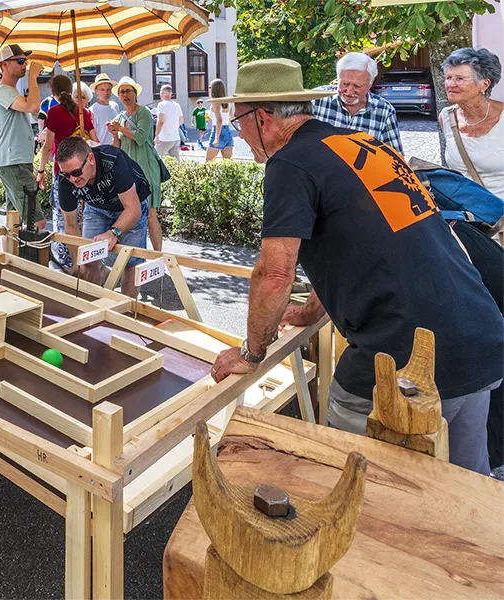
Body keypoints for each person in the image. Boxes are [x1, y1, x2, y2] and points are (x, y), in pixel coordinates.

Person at [208, 58, 504, 475]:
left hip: (407, 352)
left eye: (238, 120)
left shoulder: (290, 165)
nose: (237, 131)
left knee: (355, 484)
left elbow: (274, 273)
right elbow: (365, 245)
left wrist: (251, 353)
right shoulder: (361, 143)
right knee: (464, 491)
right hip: (479, 334)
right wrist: (311, 310)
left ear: (263, 117)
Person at [56, 136, 149, 298]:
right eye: (67, 174)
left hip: (131, 204)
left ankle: (126, 314)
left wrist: (113, 233)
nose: (72, 179)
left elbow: (133, 210)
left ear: (90, 159)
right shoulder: (65, 180)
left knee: (130, 265)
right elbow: (70, 225)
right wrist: (78, 263)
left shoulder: (114, 161)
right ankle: (92, 309)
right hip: (97, 207)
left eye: (76, 172)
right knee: (88, 262)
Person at [37, 76, 99, 272]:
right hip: (85, 172)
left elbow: (48, 147)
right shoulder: (84, 113)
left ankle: (67, 261)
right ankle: (85, 260)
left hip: (63, 172)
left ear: (52, 92)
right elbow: (95, 142)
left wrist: (40, 170)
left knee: (63, 217)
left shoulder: (54, 112)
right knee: (82, 217)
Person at [0, 43, 46, 230]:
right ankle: (29, 259)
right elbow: (33, 107)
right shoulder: (4, 90)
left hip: (15, 161)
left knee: (13, 221)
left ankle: (11, 257)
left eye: (26, 61)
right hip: (13, 162)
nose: (25, 65)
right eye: (20, 61)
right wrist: (32, 76)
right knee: (36, 222)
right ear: (4, 65)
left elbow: (32, 110)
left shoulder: (10, 91)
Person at [107, 76, 165, 251]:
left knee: (151, 215)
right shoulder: (119, 116)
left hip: (146, 168)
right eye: (122, 92)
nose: (125, 95)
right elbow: (117, 147)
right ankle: (132, 256)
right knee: (130, 213)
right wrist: (113, 134)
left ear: (135, 93)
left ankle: (158, 256)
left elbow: (140, 136)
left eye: (128, 91)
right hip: (129, 171)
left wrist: (121, 128)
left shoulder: (144, 112)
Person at [439, 47, 504, 197]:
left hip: (500, 216)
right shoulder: (447, 117)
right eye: (448, 78)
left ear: (484, 85)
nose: (450, 84)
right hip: (464, 215)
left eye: (460, 79)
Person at [312, 52, 403, 153]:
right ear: (338, 79)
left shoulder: (384, 110)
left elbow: (395, 158)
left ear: (370, 84)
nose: (349, 91)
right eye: (345, 84)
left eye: (357, 86)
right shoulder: (316, 100)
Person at [205, 79, 235, 161]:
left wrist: (216, 138)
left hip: (218, 131)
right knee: (227, 164)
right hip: (228, 132)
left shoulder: (215, 102)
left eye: (210, 87)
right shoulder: (227, 102)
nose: (209, 89)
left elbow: (219, 120)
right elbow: (232, 118)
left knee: (208, 163)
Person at [155, 84, 183, 158]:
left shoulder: (161, 105)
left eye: (161, 92)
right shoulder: (177, 105)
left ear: (163, 93)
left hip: (164, 138)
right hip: (175, 138)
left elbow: (160, 121)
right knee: (175, 163)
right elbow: (181, 121)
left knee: (154, 158)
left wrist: (157, 136)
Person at [91, 73, 120, 145]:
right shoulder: (92, 110)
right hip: (101, 150)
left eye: (108, 89)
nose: (106, 92)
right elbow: (92, 135)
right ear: (96, 91)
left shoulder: (115, 106)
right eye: (102, 89)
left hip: (116, 148)